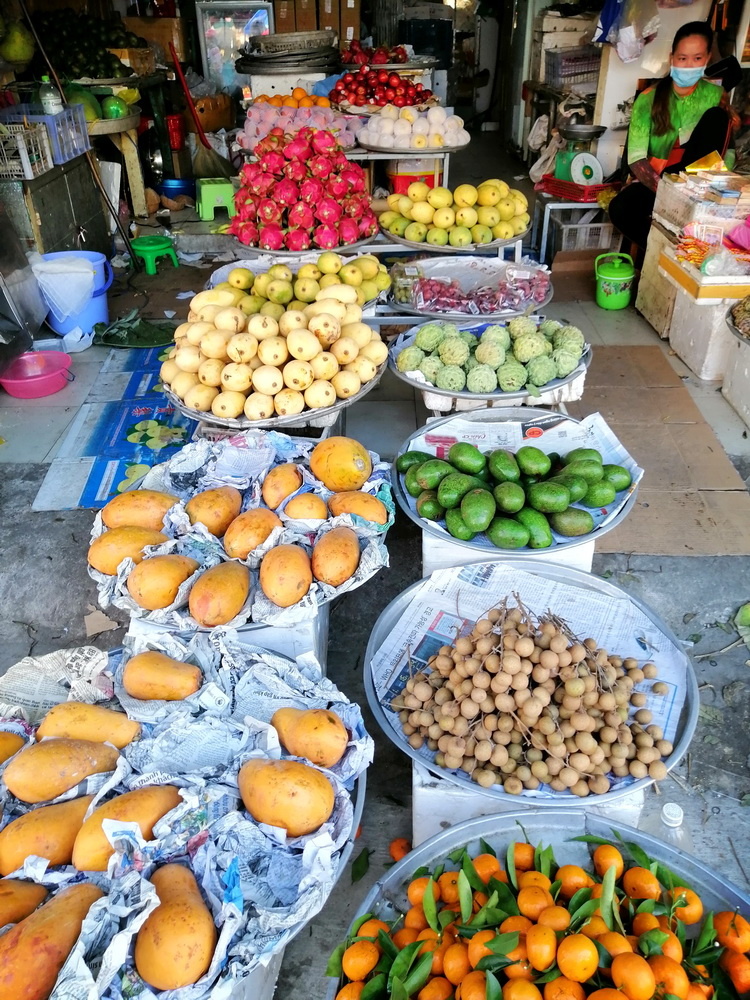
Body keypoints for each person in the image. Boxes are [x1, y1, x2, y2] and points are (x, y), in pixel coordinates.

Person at [608, 21, 732, 250]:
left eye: (697, 58)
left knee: (716, 117)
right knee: (621, 208)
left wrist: (712, 187)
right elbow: (635, 157)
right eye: (682, 58)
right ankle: (661, 249)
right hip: (657, 182)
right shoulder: (648, 99)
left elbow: (725, 150)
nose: (688, 65)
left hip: (698, 182)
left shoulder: (715, 96)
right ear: (671, 57)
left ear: (706, 59)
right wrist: (667, 191)